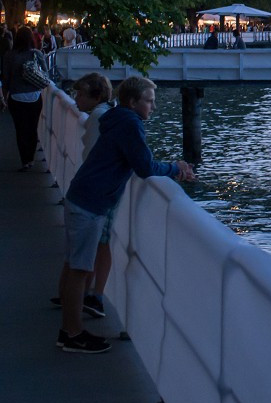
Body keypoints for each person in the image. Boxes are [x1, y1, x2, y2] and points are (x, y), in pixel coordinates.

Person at [58, 76, 195, 353]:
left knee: (75, 265)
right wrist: (175, 167)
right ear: (133, 102)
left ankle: (71, 329)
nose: (153, 107)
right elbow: (144, 166)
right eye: (149, 101)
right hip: (89, 203)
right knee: (79, 269)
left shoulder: (117, 118)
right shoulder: (130, 124)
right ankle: (71, 334)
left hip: (85, 198)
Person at [52, 73, 114, 318]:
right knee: (92, 250)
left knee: (77, 254)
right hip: (96, 194)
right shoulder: (104, 117)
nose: (76, 98)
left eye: (80, 94)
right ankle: (79, 316)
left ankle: (71, 299)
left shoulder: (98, 118)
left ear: (96, 97)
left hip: (86, 191)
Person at [2, 26, 48, 171]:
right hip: (34, 96)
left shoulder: (9, 55)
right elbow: (45, 74)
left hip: (16, 96)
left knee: (20, 129)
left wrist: (4, 97)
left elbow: (6, 78)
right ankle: (31, 158)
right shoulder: (36, 53)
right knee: (32, 127)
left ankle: (24, 161)